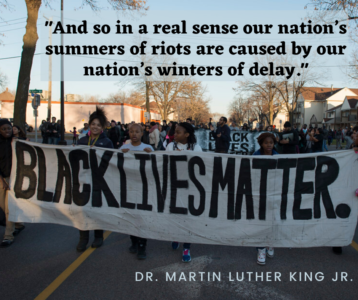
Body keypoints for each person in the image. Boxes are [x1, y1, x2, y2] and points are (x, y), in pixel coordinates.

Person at [75, 107, 113, 252]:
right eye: (93, 124)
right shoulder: (82, 141)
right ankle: (83, 238)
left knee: (97, 209)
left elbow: (111, 161)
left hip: (99, 182)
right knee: (82, 210)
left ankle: (98, 237)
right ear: (89, 125)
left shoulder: (107, 142)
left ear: (102, 127)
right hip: (83, 181)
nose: (95, 127)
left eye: (98, 125)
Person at [166, 122, 202, 262]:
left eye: (179, 132)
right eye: (175, 131)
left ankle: (186, 246)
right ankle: (176, 236)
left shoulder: (196, 148)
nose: (175, 134)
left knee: (188, 219)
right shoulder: (170, 146)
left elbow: (202, 167)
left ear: (187, 134)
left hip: (190, 188)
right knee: (175, 216)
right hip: (174, 187)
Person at [120, 124, 153, 260]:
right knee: (131, 216)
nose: (134, 134)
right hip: (128, 188)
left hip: (143, 188)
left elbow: (154, 167)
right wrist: (121, 156)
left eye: (137, 132)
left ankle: (142, 245)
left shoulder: (148, 148)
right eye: (131, 131)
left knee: (142, 217)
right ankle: (133, 241)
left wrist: (151, 155)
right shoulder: (123, 148)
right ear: (128, 133)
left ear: (141, 133)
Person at [253, 132, 278, 265]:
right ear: (261, 144)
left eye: (271, 143)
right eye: (266, 143)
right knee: (261, 221)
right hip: (260, 193)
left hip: (274, 193)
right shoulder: (255, 156)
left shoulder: (278, 157)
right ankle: (260, 249)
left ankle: (270, 243)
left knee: (273, 220)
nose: (269, 145)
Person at [0, 119, 26, 247]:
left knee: (8, 209)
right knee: (3, 208)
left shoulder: (16, 142)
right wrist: (2, 181)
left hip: (14, 178)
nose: (7, 131)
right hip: (1, 179)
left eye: (9, 128)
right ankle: (19, 224)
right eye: (3, 129)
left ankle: (8, 236)